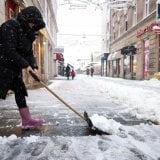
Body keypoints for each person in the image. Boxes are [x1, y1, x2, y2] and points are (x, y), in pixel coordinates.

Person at [0, 6, 45, 129]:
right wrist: (25, 65)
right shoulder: (10, 26)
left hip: (14, 68)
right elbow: (9, 49)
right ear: (26, 18)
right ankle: (27, 120)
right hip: (2, 66)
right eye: (31, 22)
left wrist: (33, 66)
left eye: (35, 23)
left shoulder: (27, 33)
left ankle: (27, 120)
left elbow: (29, 53)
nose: (32, 25)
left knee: (20, 91)